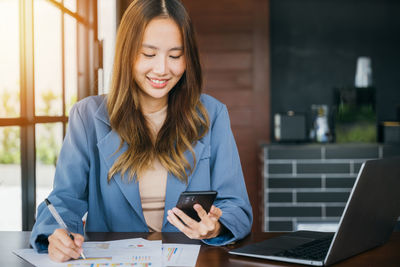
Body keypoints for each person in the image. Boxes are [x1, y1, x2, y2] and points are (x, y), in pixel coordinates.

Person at [30, 0, 252, 262]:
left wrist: (215, 226)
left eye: (175, 55)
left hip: (194, 261)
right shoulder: (88, 117)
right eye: (148, 54)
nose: (161, 69)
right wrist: (57, 235)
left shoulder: (212, 114)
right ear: (127, 53)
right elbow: (64, 201)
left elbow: (236, 207)